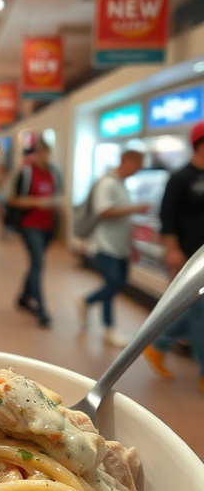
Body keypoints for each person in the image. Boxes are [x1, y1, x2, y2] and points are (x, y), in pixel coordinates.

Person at [143, 121, 204, 391]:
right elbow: (166, 218)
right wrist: (173, 250)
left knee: (194, 308)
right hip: (187, 256)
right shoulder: (180, 178)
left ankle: (158, 345)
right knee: (200, 310)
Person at [75, 149, 149, 348]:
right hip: (105, 244)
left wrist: (131, 244)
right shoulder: (107, 183)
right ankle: (108, 326)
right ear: (127, 161)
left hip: (120, 246)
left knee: (116, 284)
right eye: (138, 164)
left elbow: (123, 220)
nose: (139, 169)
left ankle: (88, 304)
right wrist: (135, 209)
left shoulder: (122, 185)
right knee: (113, 283)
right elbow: (103, 211)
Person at [9, 137, 63, 327]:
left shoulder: (54, 173)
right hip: (29, 224)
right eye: (40, 153)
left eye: (47, 153)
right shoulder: (26, 172)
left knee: (35, 264)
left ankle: (23, 297)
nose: (44, 157)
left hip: (48, 226)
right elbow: (14, 199)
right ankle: (42, 310)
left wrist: (55, 204)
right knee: (38, 263)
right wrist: (36, 202)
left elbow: (59, 194)